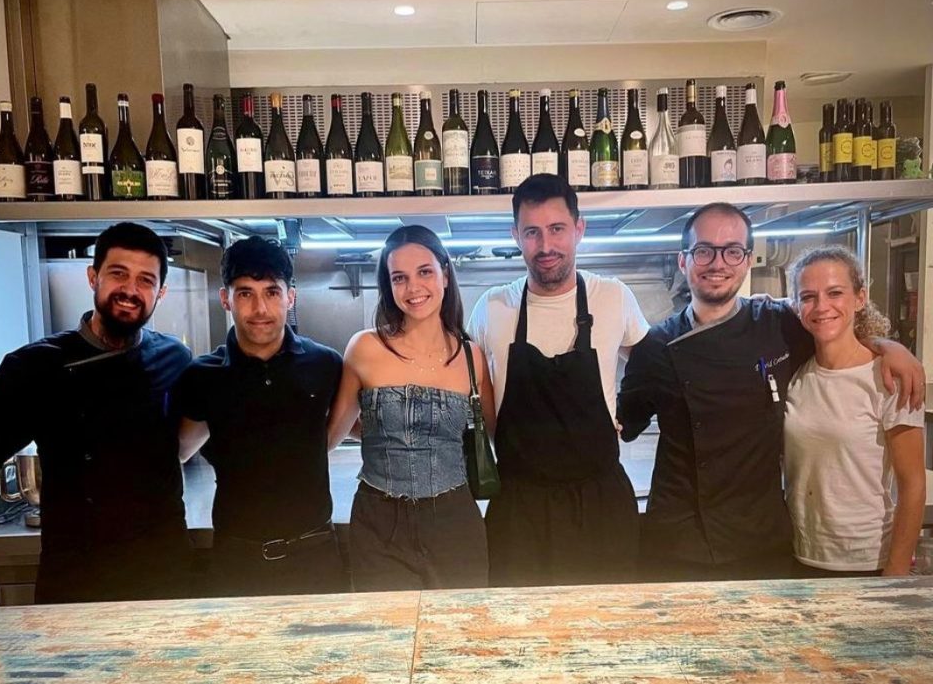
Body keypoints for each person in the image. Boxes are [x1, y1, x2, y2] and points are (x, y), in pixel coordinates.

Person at [618, 202, 925, 582]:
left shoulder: (779, 325)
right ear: (684, 261)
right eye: (704, 251)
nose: (718, 263)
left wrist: (887, 346)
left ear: (747, 260)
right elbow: (624, 423)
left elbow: (833, 328)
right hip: (678, 541)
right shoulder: (655, 346)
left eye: (732, 251)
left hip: (762, 542)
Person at [0, 222, 193, 607]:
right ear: (93, 277)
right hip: (77, 576)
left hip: (165, 575)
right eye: (118, 274)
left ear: (160, 292)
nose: (130, 290)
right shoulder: (35, 366)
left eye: (145, 280)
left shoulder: (175, 358)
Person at [467, 174, 649, 587]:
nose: (545, 246)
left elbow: (650, 366)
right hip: (518, 509)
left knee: (605, 621)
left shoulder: (613, 296)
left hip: (601, 506)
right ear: (515, 235)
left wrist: (629, 417)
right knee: (518, 621)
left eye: (557, 229)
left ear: (579, 229)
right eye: (532, 232)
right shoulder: (492, 307)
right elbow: (469, 388)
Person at [172, 237, 345, 597]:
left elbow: (344, 428)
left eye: (271, 292)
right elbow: (181, 450)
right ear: (225, 299)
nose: (260, 308)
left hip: (315, 553)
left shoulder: (325, 363)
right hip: (237, 558)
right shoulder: (202, 376)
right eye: (245, 293)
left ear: (290, 297)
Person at [327, 225, 495, 591]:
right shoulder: (365, 348)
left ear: (445, 275)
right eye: (399, 278)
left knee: (461, 622)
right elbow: (331, 436)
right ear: (388, 286)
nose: (413, 288)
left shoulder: (472, 357)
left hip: (455, 522)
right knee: (385, 624)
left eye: (424, 272)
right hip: (378, 521)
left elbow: (497, 435)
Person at [784, 245, 926, 577]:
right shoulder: (794, 375)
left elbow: (913, 485)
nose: (822, 306)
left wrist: (895, 574)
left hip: (867, 561)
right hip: (799, 556)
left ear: (860, 298)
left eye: (835, 293)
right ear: (796, 306)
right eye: (808, 297)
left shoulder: (889, 379)